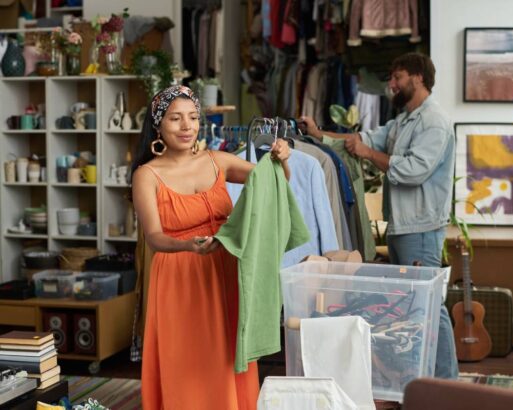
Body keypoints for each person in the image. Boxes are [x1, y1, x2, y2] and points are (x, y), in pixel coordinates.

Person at [131, 85, 291, 409]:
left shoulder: (217, 160)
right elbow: (153, 237)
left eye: (192, 117)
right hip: (180, 274)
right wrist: (187, 245)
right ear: (158, 125)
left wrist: (281, 158)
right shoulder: (146, 175)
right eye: (176, 118)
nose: (187, 126)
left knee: (226, 352)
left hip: (226, 269)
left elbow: (273, 181)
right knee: (189, 358)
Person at [300, 52, 458, 379]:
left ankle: (447, 381)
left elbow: (414, 171)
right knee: (414, 305)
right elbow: (362, 141)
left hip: (422, 228)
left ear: (417, 78)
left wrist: (369, 154)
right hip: (404, 226)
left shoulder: (434, 122)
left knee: (429, 304)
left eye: (397, 77)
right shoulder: (405, 120)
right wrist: (319, 136)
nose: (392, 84)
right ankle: (423, 379)